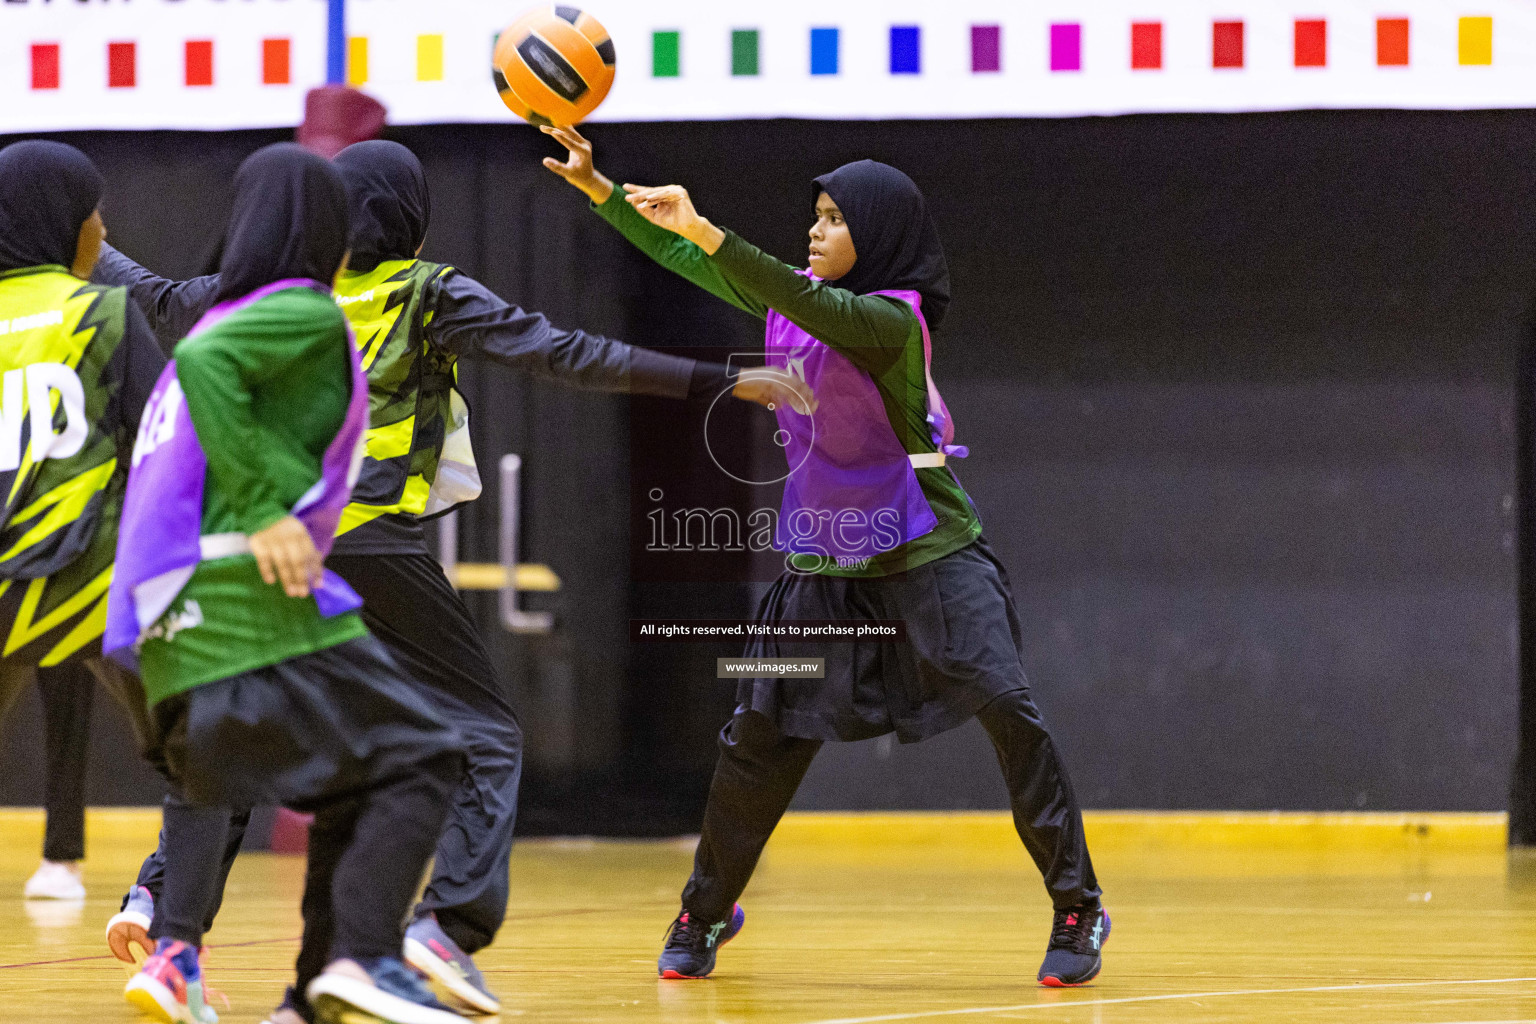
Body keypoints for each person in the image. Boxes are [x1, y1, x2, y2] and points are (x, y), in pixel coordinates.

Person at [95, 138, 799, 1021]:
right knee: (478, 735)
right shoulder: (418, 291)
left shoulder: (240, 297)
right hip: (359, 547)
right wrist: (718, 378)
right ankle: (439, 928)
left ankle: (173, 924)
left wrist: (81, 240)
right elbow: (565, 353)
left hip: (213, 564)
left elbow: (151, 295)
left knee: (253, 737)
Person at [542, 125, 1109, 987]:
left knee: (1008, 711)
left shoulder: (893, 322)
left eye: (835, 219)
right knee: (755, 739)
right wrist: (602, 193)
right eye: (814, 215)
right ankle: (704, 911)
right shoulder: (795, 296)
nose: (815, 231)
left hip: (928, 550)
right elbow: (694, 261)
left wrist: (710, 232)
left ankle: (1079, 907)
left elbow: (798, 299)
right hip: (823, 560)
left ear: (877, 237)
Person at [104, 142, 465, 1024]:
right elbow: (207, 374)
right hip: (231, 603)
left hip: (145, 621)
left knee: (244, 782)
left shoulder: (222, 316)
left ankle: (207, 961)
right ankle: (361, 958)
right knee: (428, 756)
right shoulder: (296, 314)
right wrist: (269, 511)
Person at [0, 140, 166, 901]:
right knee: (196, 754)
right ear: (63, 220)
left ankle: (64, 853)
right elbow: (172, 441)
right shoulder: (103, 310)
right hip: (87, 576)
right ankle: (172, 935)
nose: (101, 225)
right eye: (93, 210)